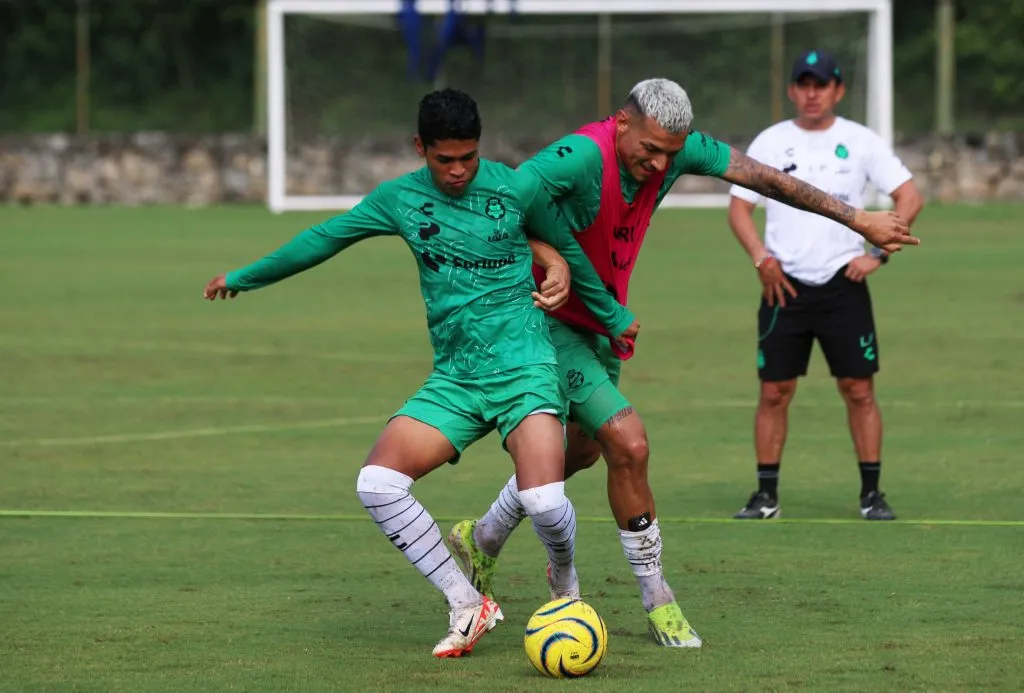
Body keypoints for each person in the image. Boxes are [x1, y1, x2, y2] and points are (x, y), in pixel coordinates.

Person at [447, 77, 920, 648]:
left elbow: (765, 178)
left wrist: (856, 219)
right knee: (630, 443)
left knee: (584, 450)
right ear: (622, 125)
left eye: (672, 153)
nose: (660, 163)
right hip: (543, 323)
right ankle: (658, 599)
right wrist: (549, 257)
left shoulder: (676, 149)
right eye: (649, 149)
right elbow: (490, 214)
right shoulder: (575, 158)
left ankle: (485, 536)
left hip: (600, 325)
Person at [201, 89, 638, 658]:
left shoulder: (515, 186)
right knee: (376, 484)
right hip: (456, 377)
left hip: (525, 365)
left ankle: (565, 584)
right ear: (419, 148)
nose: (457, 171)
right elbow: (323, 239)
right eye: (444, 160)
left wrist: (587, 295)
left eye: (468, 157)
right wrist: (245, 275)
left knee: (546, 506)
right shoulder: (398, 199)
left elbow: (565, 246)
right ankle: (467, 602)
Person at [727, 50, 924, 521]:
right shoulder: (771, 142)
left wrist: (876, 255)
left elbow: (909, 195)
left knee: (859, 389)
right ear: (793, 90)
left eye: (822, 84)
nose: (812, 93)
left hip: (843, 283)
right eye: (804, 84)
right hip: (784, 286)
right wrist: (762, 257)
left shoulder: (860, 141)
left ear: (837, 90)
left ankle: (871, 495)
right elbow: (739, 208)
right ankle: (766, 496)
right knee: (774, 391)